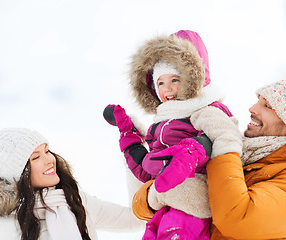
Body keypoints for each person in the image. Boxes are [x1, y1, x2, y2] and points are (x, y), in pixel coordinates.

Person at [132, 71, 286, 239]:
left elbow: (236, 217)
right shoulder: (245, 156)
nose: (252, 108)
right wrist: (155, 194)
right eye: (258, 100)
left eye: (267, 106)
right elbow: (141, 207)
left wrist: (224, 145)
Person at [103, 30, 242, 239]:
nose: (167, 89)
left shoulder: (206, 109)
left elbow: (227, 139)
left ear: (192, 78)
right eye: (160, 82)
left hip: (192, 204)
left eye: (175, 80)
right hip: (163, 204)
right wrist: (129, 135)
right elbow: (147, 170)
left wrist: (194, 150)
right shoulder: (161, 124)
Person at [0, 128, 144, 240]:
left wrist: (132, 156)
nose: (49, 159)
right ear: (16, 174)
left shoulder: (72, 199)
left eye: (47, 151)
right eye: (36, 157)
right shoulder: (4, 225)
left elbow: (136, 218)